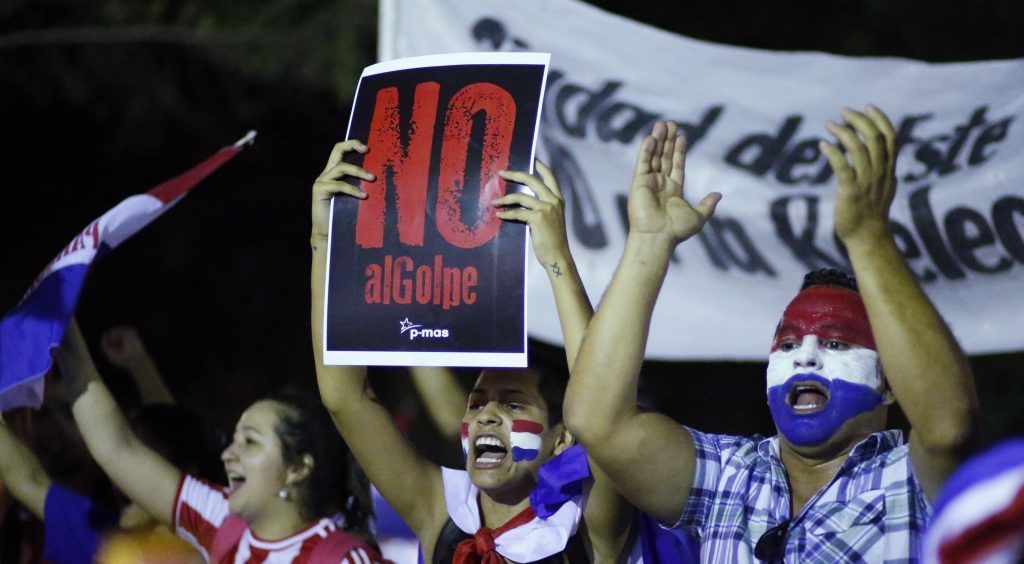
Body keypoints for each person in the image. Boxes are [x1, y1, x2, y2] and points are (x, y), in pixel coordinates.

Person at [564, 107, 979, 561]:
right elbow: (595, 420)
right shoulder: (726, 475)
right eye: (786, 343)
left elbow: (947, 424)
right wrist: (648, 243)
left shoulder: (914, 479)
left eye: (836, 343)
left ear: (889, 385)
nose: (805, 358)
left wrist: (867, 237)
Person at [311, 141, 638, 562]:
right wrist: (326, 239)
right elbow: (344, 398)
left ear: (563, 437)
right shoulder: (438, 509)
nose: (485, 415)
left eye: (514, 404)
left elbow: (602, 403)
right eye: (477, 402)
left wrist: (556, 257)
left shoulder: (588, 525)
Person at [55, 319, 384, 563]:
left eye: (250, 442)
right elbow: (116, 447)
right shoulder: (222, 520)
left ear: (298, 467)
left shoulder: (343, 558)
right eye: (235, 438)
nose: (228, 453)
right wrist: (64, 333)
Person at [0, 325, 220, 564]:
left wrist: (140, 365)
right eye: (44, 416)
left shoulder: (232, 539)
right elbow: (27, 478)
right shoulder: (99, 533)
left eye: (132, 459)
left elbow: (174, 436)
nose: (118, 478)